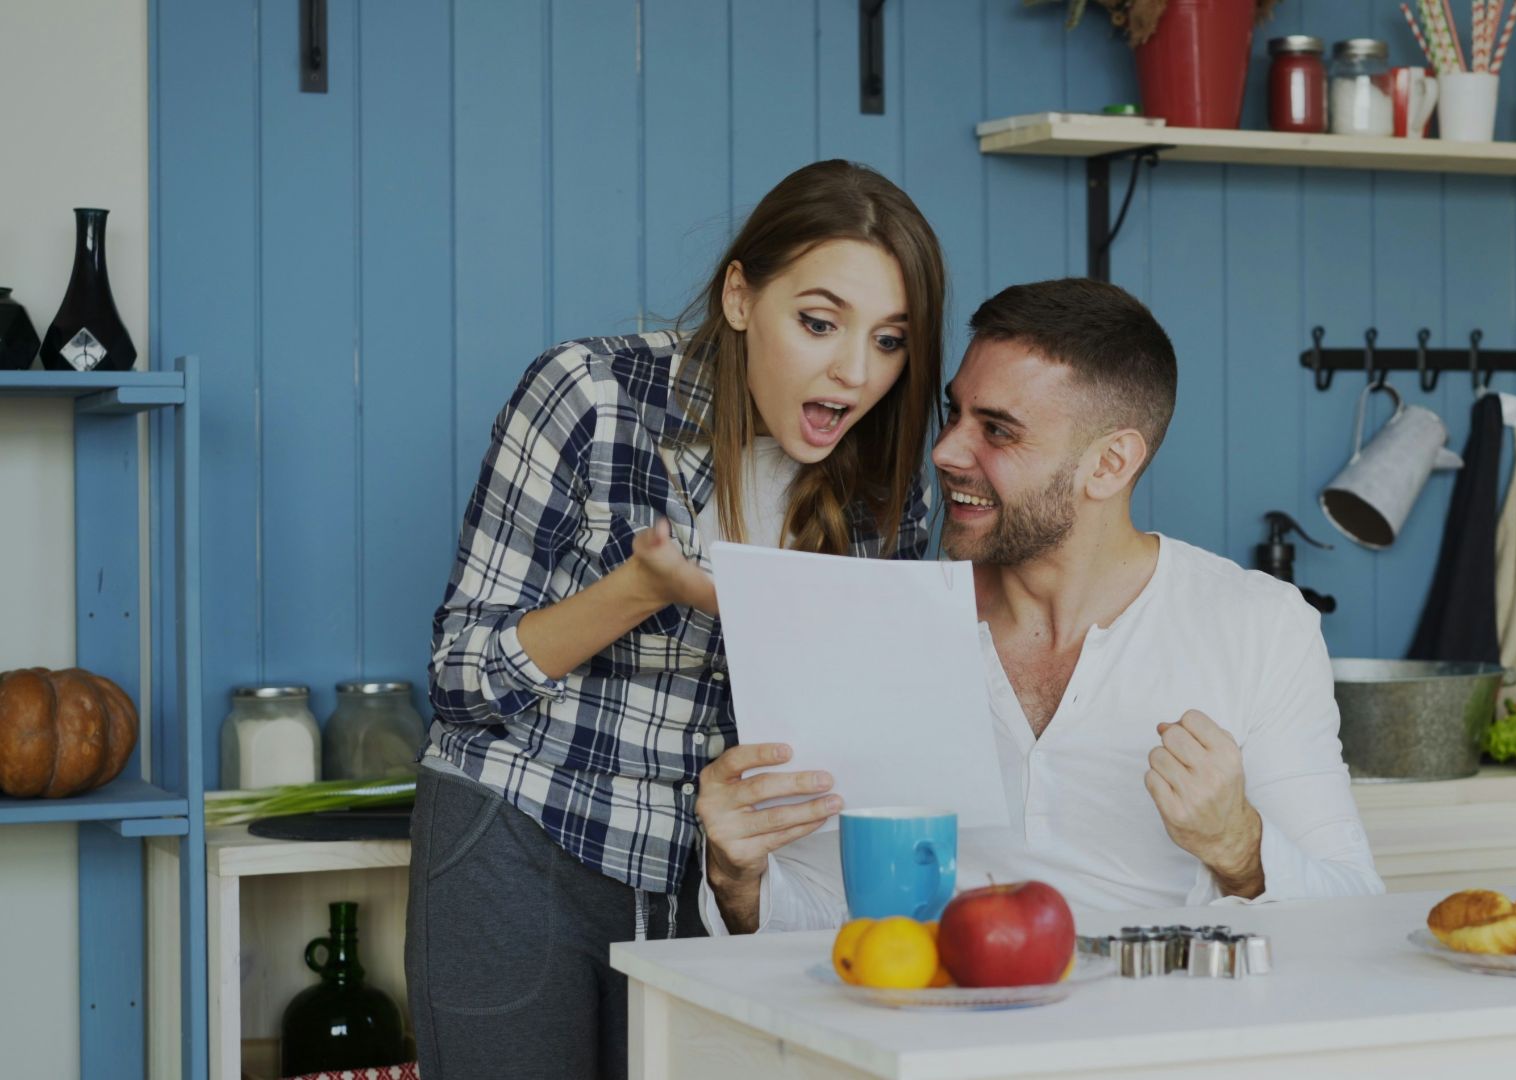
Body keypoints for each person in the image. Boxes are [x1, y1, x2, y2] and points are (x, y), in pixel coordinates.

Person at [408, 160, 944, 1079]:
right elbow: (464, 684)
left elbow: (855, 721)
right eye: (819, 323)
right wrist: (643, 589)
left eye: (890, 341)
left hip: (723, 887)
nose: (855, 373)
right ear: (740, 295)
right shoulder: (589, 395)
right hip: (526, 835)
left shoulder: (889, 487)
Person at [698, 278, 1382, 935]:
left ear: (1110, 464)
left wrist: (1239, 846)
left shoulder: (1259, 626)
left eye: (997, 431)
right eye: (955, 412)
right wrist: (737, 878)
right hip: (938, 1041)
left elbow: (1353, 910)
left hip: (1159, 1043)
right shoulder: (881, 624)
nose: (945, 450)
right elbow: (829, 918)